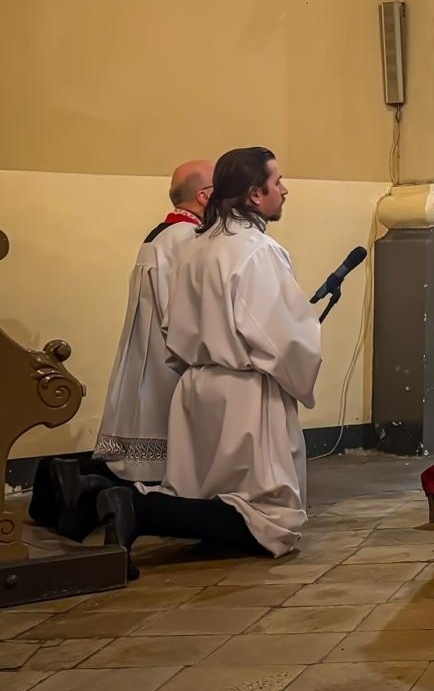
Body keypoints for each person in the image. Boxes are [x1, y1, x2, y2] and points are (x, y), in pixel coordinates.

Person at [89, 148, 322, 575]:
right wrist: (303, 364)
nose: (284, 190)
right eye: (278, 181)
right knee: (273, 520)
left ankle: (138, 505)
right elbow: (284, 337)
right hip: (245, 395)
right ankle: (137, 506)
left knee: (204, 497)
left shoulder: (196, 246)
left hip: (196, 388)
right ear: (255, 194)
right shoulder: (257, 250)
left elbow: (172, 328)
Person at [92, 159, 214, 482]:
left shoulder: (161, 235)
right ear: (204, 196)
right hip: (170, 364)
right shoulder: (188, 239)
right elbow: (184, 315)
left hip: (149, 360)